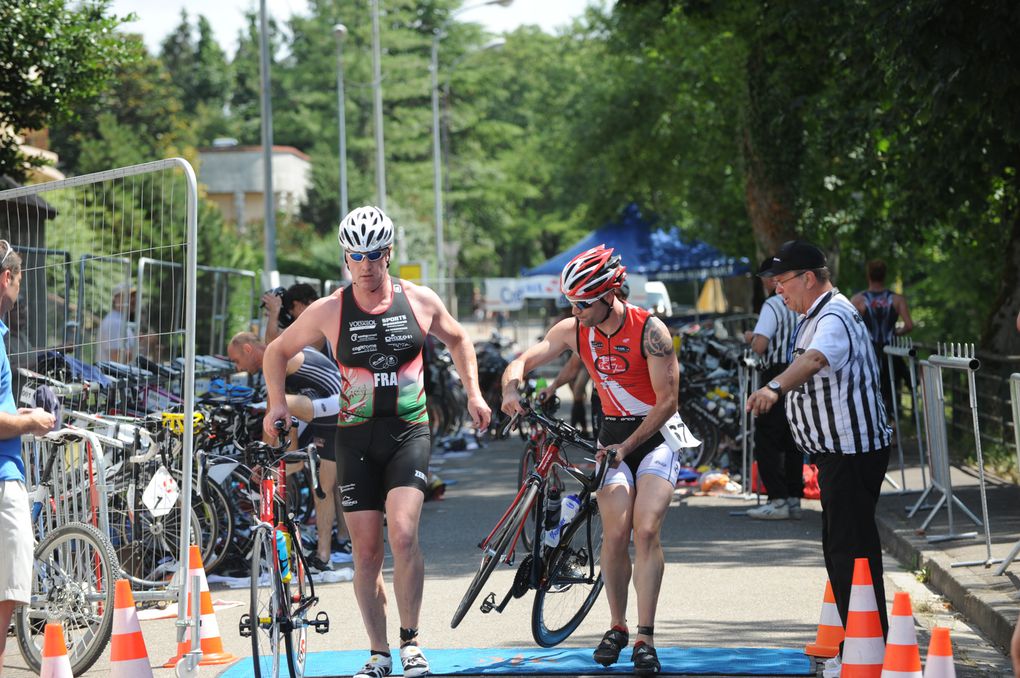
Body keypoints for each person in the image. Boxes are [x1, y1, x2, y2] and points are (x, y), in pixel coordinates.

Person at [261, 206, 491, 678]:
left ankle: (410, 642)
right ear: (346, 259)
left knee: (404, 535)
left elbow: (459, 338)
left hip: (408, 432)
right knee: (366, 552)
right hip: (355, 439)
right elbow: (277, 350)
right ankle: (378, 652)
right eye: (355, 257)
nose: (365, 265)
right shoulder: (331, 308)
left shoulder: (420, 301)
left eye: (373, 255)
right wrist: (276, 405)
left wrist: (474, 394)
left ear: (389, 254)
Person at [502, 245, 679, 676]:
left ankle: (645, 636)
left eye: (583, 303)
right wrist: (511, 387)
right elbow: (523, 359)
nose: (575, 310)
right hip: (612, 436)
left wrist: (629, 444)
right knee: (615, 534)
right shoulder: (575, 328)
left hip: (655, 437)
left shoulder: (650, 331)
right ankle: (617, 627)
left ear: (609, 294)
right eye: (571, 302)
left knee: (647, 528)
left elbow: (669, 401)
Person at [746, 240, 892, 676]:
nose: (777, 292)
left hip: (851, 452)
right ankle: (860, 641)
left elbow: (814, 360)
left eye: (782, 282)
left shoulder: (834, 315)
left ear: (808, 277)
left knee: (852, 552)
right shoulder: (814, 314)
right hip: (836, 454)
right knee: (843, 548)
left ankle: (866, 651)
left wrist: (774, 388)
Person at [227, 331, 343, 575]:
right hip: (324, 406)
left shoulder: (274, 356)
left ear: (248, 349)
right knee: (322, 487)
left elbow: (275, 408)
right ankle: (324, 555)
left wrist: (262, 454)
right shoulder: (276, 352)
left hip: (333, 402)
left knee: (279, 409)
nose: (238, 368)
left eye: (237, 360)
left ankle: (284, 461)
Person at [0, 241, 56, 670]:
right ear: (7, 278)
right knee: (8, 592)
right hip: (3, 478)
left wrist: (14, 414)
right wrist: (29, 422)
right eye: (20, 279)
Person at [744, 258, 802, 520]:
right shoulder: (803, 303)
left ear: (770, 279)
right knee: (793, 437)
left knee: (767, 437)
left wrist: (750, 337)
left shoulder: (773, 304)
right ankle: (793, 497)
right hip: (800, 370)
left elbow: (760, 346)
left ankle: (777, 498)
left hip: (775, 371)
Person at [850, 260, 913, 415]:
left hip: (868, 353)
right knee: (892, 386)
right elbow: (909, 325)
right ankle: (894, 423)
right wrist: (896, 334)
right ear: (885, 276)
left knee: (869, 387)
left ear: (868, 276)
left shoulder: (857, 299)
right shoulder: (897, 299)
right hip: (891, 352)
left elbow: (851, 328)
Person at [95, 281, 138, 363]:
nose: (134, 299)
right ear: (117, 299)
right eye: (130, 296)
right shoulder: (114, 323)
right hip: (110, 376)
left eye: (134, 296)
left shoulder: (119, 320)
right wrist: (139, 348)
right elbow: (118, 358)